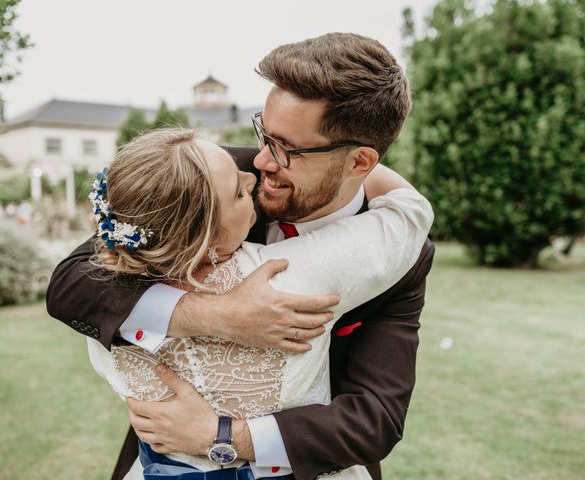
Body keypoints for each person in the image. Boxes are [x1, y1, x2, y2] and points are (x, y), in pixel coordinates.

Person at [46, 33, 436, 480]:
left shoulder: (400, 254)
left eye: (288, 148)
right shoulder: (206, 177)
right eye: (264, 134)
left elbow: (376, 417)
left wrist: (223, 436)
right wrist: (216, 314)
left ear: (359, 161)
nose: (263, 164)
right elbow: (72, 283)